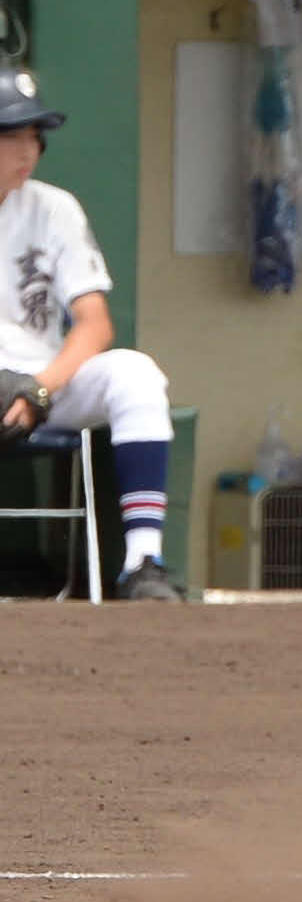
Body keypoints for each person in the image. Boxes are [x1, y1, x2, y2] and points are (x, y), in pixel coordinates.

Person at [0, 66, 182, 601]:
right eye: (13, 135)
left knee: (135, 374)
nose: (29, 150)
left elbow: (95, 323)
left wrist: (41, 389)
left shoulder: (52, 208)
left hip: (41, 382)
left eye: (35, 136)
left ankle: (143, 562)